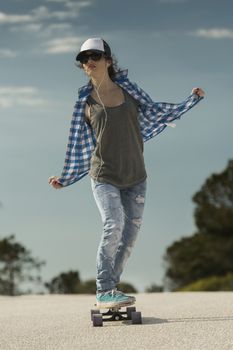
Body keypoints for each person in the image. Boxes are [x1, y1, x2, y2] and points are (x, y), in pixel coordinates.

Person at [48, 37, 205, 308]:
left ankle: (112, 288)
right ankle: (104, 289)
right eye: (84, 59)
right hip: (104, 176)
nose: (89, 61)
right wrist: (67, 178)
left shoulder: (130, 91)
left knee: (129, 238)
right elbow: (79, 147)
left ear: (108, 60)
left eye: (95, 55)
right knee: (114, 225)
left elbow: (157, 112)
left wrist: (191, 101)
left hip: (136, 177)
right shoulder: (84, 103)